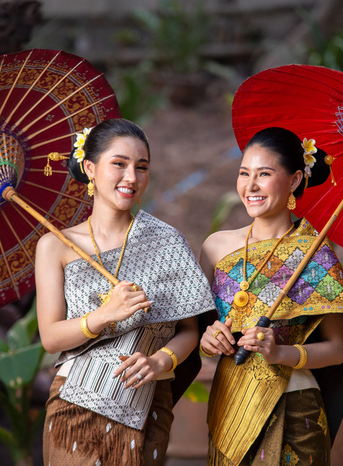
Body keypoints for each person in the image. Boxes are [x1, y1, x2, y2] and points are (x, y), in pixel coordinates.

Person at [36, 118, 215, 465]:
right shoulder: (56, 246)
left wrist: (159, 360)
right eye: (119, 164)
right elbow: (50, 337)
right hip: (76, 407)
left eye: (141, 167)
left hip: (146, 404)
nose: (131, 177)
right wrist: (105, 314)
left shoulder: (166, 241)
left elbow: (190, 330)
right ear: (90, 167)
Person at [199, 127, 343, 466]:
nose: (251, 186)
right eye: (244, 173)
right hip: (231, 405)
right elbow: (201, 333)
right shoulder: (215, 247)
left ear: (293, 181)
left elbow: (337, 350)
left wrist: (281, 352)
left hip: (295, 408)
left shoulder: (313, 252)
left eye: (264, 174)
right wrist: (209, 339)